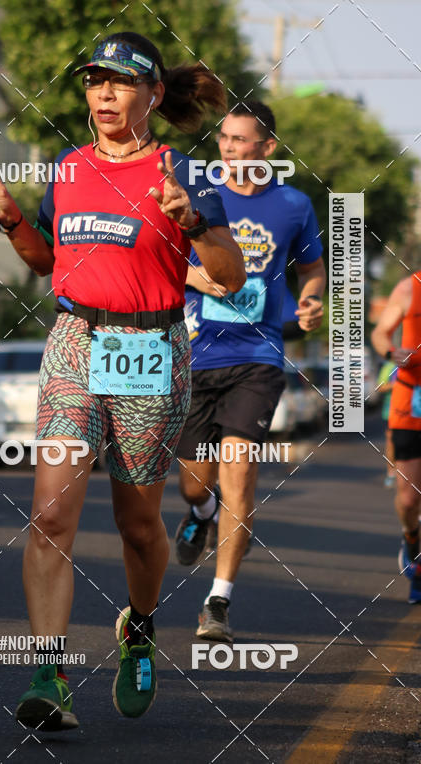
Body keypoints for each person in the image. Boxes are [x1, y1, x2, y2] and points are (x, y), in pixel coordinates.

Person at [0, 32, 245, 730]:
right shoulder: (69, 167)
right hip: (75, 341)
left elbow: (230, 277)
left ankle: (138, 630)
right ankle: (49, 674)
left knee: (138, 525)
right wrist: (10, 216)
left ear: (151, 94)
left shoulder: (184, 172)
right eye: (94, 81)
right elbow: (43, 259)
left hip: (151, 348)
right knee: (51, 514)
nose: (104, 93)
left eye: (120, 81)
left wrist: (194, 221)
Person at [176, 100, 326, 641]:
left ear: (268, 149)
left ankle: (218, 602)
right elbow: (159, 254)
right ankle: (199, 512)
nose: (231, 149)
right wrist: (192, 278)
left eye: (242, 140)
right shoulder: (197, 193)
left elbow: (313, 267)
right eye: (224, 139)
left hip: (258, 359)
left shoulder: (293, 204)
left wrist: (310, 301)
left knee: (240, 472)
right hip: (195, 356)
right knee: (196, 482)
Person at [371, 221, 421, 604]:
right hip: (410, 403)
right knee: (409, 498)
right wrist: (389, 352)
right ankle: (411, 538)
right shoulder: (409, 288)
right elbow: (381, 332)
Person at [377, 358, 397, 488]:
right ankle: (391, 474)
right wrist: (397, 385)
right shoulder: (390, 366)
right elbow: (380, 387)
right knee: (391, 443)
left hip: (416, 413)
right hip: (392, 412)